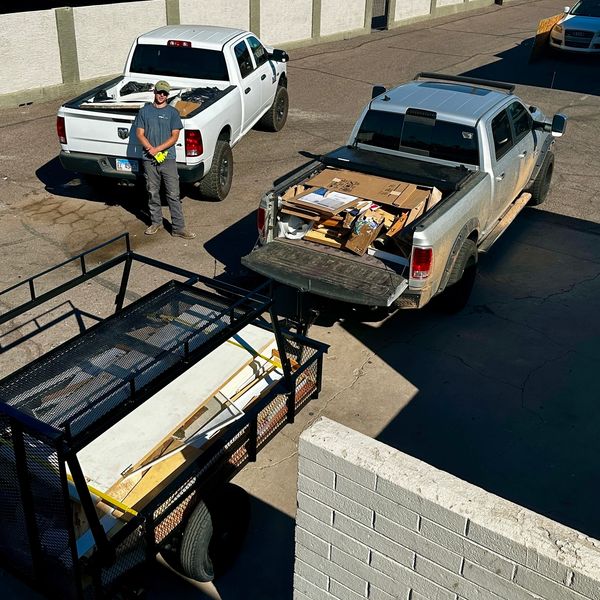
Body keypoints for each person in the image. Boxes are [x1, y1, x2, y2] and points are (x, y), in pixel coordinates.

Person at [134, 80, 196, 239]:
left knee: (173, 194)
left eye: (165, 93)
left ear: (168, 95)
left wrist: (158, 149)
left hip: (168, 159)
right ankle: (156, 222)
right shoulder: (144, 111)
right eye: (159, 92)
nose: (161, 95)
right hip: (149, 159)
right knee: (152, 191)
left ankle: (178, 228)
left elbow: (174, 137)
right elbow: (139, 133)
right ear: (154, 92)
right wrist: (150, 149)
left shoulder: (173, 113)